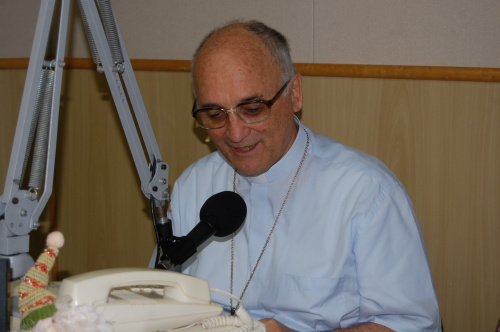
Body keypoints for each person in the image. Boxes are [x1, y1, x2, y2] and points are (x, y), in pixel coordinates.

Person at [150, 20, 442, 332]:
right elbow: (159, 305)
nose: (235, 134)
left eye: (252, 108)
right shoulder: (192, 186)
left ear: (295, 94)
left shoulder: (366, 192)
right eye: (215, 115)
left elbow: (413, 325)